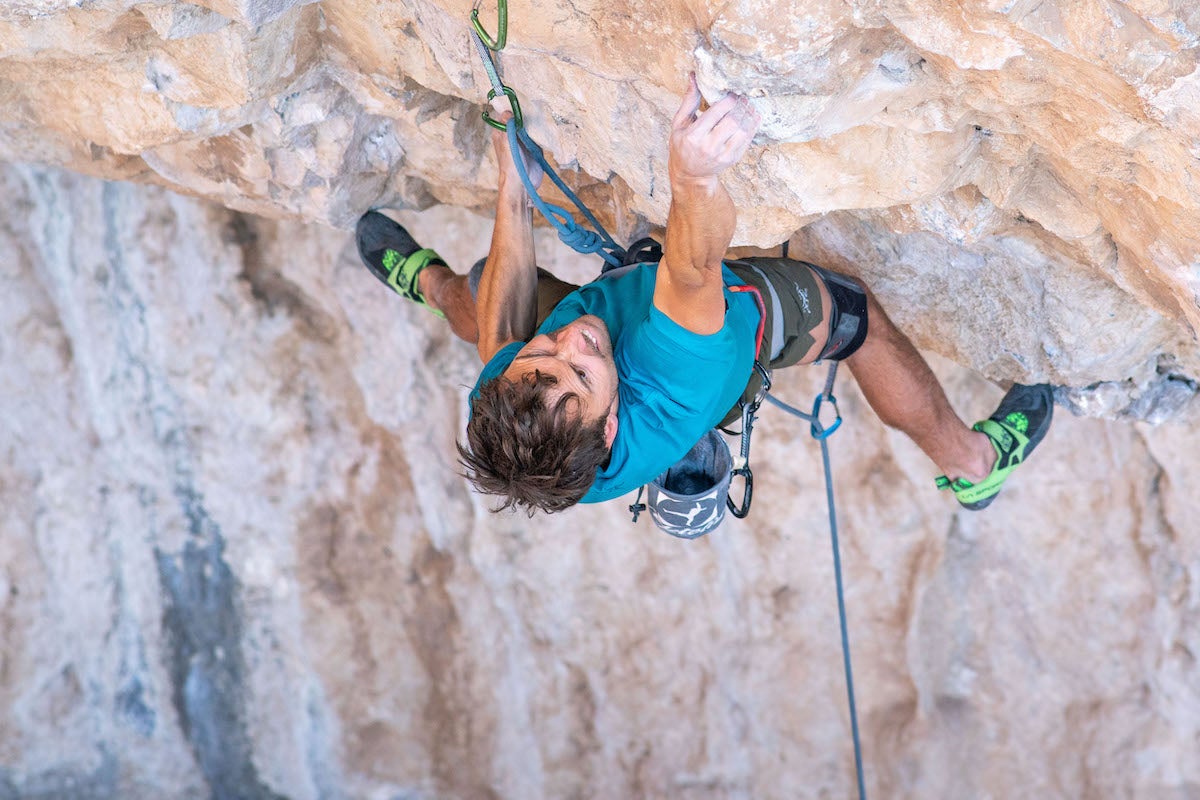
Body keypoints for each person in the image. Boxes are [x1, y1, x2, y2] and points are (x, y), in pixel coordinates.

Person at [354, 74, 1053, 515]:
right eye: (580, 371)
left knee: (482, 291)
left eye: (541, 354)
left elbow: (502, 326)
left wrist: (514, 178)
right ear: (608, 427)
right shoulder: (672, 372)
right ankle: (973, 464)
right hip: (717, 352)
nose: (569, 341)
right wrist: (692, 180)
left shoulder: (514, 409)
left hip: (607, 363)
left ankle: (428, 281)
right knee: (854, 316)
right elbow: (691, 271)